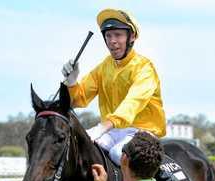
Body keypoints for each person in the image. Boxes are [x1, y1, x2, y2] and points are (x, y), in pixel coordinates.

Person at [61, 8, 166, 166]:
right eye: (108, 36)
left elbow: (131, 104)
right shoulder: (104, 67)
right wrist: (71, 82)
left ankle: (164, 179)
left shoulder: (144, 68)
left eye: (118, 35)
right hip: (113, 131)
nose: (112, 41)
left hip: (144, 131)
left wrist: (102, 127)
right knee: (86, 152)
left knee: (119, 153)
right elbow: (79, 99)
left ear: (132, 37)